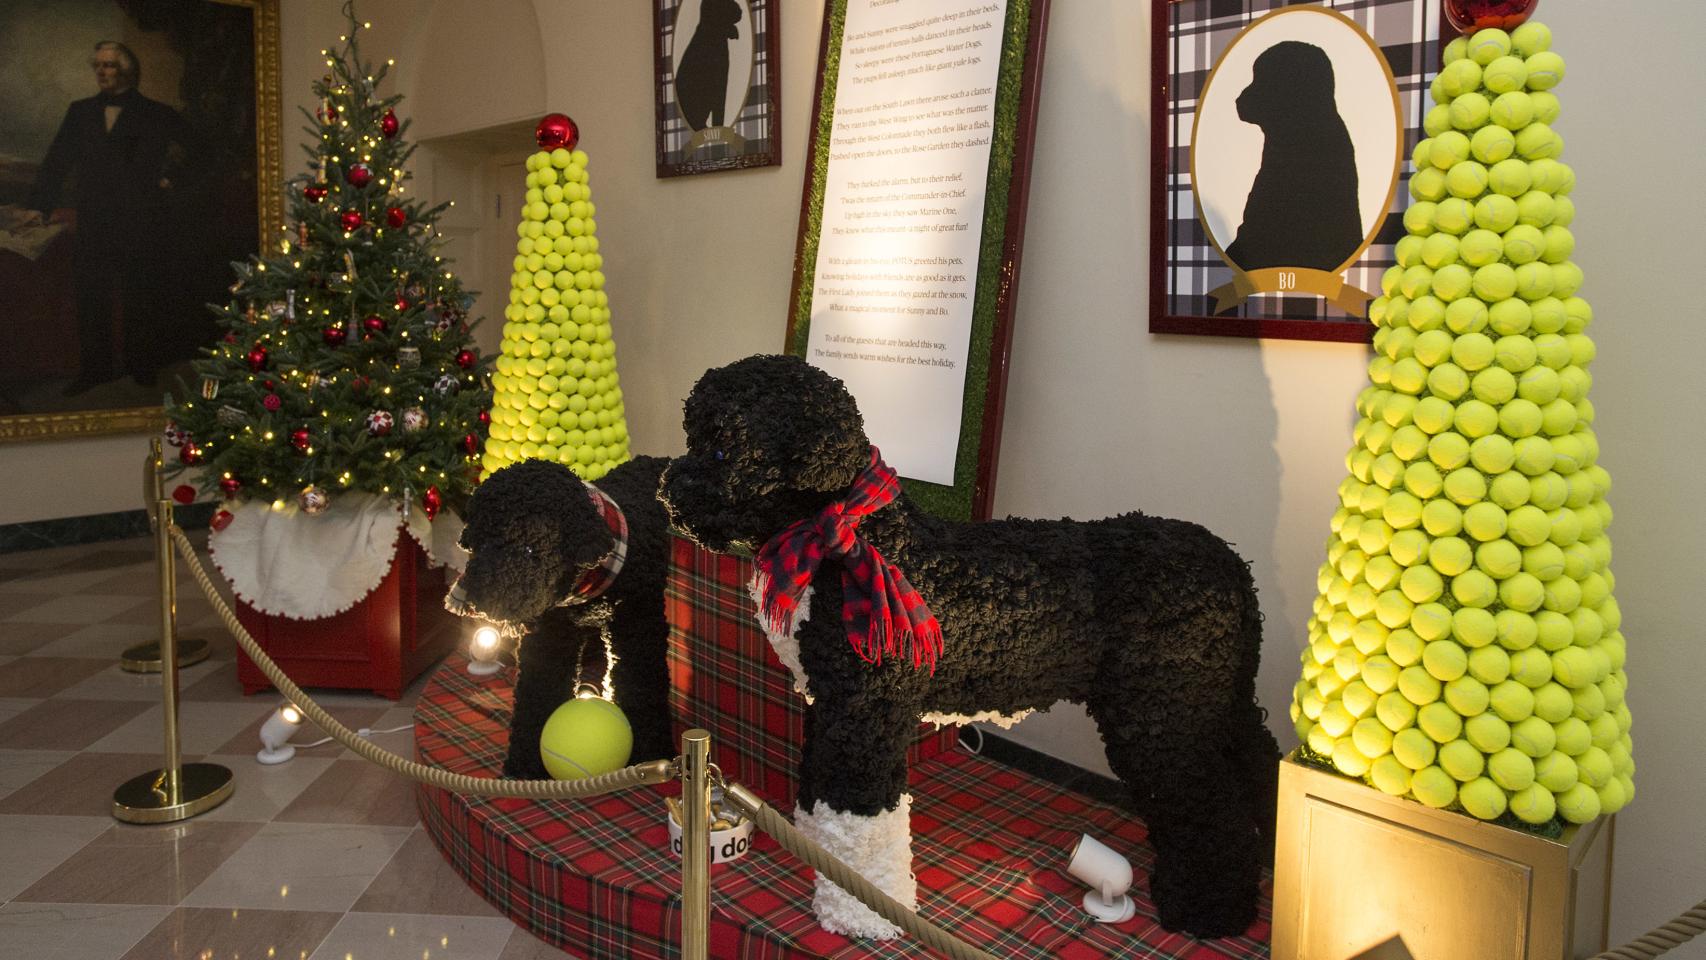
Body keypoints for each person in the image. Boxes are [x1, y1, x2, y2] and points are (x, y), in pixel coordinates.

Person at [27, 40, 190, 395]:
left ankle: (143, 364)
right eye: (97, 65)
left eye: (109, 66)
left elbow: (201, 154)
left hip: (142, 219)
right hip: (95, 218)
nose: (101, 72)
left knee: (140, 294)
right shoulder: (80, 111)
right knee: (91, 295)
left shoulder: (157, 113)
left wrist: (171, 180)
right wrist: (38, 207)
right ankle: (95, 370)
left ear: (127, 71)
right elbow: (57, 161)